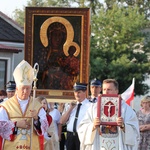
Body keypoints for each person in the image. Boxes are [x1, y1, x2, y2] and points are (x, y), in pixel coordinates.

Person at [78, 79, 140, 150]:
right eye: (104, 89)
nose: (106, 92)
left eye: (109, 89)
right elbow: (82, 128)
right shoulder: (93, 108)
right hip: (99, 145)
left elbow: (135, 131)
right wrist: (93, 126)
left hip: (118, 145)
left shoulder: (126, 109)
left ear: (116, 91)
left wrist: (124, 126)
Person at [0, 60, 48, 150]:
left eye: (28, 88)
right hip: (11, 146)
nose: (25, 91)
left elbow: (45, 127)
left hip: (32, 145)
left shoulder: (37, 105)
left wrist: (37, 119)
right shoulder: (6, 106)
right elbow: (0, 126)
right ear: (17, 88)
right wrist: (16, 124)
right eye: (23, 88)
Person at [60, 82, 91, 150]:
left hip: (82, 136)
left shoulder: (90, 106)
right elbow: (62, 121)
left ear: (85, 92)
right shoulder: (70, 105)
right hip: (70, 136)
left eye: (79, 92)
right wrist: (70, 109)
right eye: (75, 92)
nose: (77, 94)